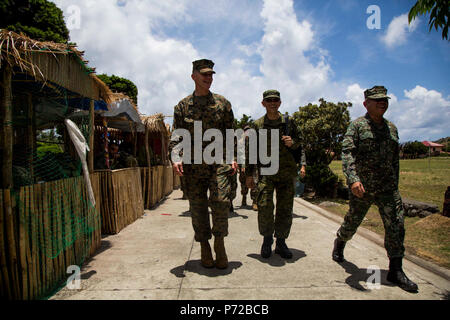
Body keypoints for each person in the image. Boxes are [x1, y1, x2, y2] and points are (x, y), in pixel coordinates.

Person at [332, 85, 418, 293]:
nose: (382, 103)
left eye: (385, 100)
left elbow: (394, 160)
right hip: (362, 188)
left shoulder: (392, 128)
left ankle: (395, 269)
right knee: (352, 222)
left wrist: (395, 185)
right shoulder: (357, 126)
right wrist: (353, 180)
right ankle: (340, 240)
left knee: (396, 225)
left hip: (388, 188)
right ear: (366, 103)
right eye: (377, 100)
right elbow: (348, 153)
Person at [169, 59, 238, 269]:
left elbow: (230, 133)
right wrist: (175, 156)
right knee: (197, 208)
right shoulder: (182, 106)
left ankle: (219, 242)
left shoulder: (223, 103)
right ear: (193, 77)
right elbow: (176, 136)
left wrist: (234, 157)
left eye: (211, 75)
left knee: (220, 202)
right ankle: (205, 246)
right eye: (204, 75)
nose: (208, 78)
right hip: (193, 166)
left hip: (219, 162)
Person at [245, 90, 306, 259]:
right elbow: (251, 151)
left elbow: (301, 142)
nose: (272, 103)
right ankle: (266, 241)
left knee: (285, 209)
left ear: (280, 103)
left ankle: (281, 242)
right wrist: (249, 175)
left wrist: (293, 143)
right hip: (266, 173)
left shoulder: (289, 121)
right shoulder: (257, 125)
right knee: (264, 206)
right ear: (263, 103)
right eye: (269, 100)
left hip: (287, 173)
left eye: (275, 100)